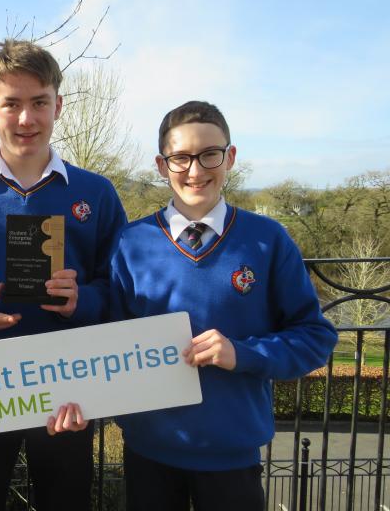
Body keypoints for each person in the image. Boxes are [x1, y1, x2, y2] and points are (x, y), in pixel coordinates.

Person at [0, 39, 127, 510]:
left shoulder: (96, 193)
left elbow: (119, 287)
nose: (26, 119)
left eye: (39, 103)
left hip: (70, 379)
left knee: (66, 499)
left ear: (58, 105)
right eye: (11, 104)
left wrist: (85, 301)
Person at [110, 100, 338, 511]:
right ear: (162, 166)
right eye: (180, 158)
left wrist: (242, 352)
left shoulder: (269, 240)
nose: (195, 171)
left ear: (230, 157)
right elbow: (105, 344)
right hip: (148, 451)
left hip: (232, 455)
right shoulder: (130, 244)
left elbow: (315, 338)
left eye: (209, 154)